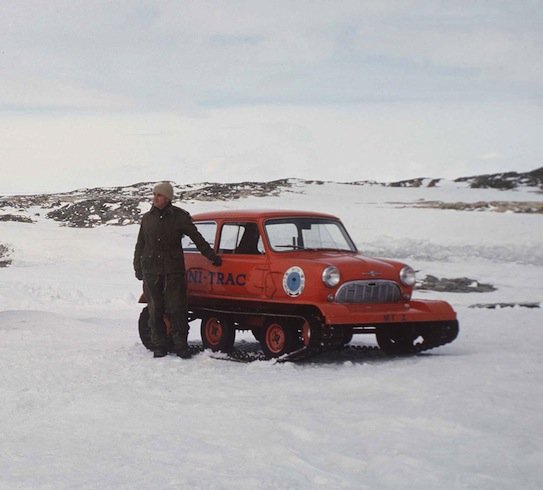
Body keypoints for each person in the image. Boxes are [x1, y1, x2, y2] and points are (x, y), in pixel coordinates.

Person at [133, 182, 222, 359]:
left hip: (173, 271)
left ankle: (181, 346)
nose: (155, 198)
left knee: (177, 309)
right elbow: (140, 244)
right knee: (155, 309)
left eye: (159, 195)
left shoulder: (180, 217)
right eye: (154, 195)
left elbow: (197, 238)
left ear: (167, 198)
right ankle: (159, 346)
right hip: (151, 272)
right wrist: (137, 267)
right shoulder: (147, 218)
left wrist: (211, 256)